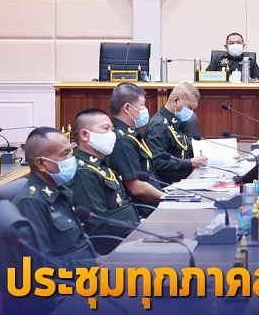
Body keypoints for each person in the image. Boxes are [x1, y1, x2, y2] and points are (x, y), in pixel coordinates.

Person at [12, 127, 98, 268]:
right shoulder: (32, 202)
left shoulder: (60, 190)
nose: (72, 159)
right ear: (41, 164)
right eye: (65, 154)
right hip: (73, 277)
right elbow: (42, 265)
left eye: (71, 152)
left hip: (91, 263)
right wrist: (95, 264)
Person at [67, 109, 140, 240]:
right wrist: (140, 227)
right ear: (85, 135)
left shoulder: (102, 163)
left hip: (130, 234)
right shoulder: (83, 172)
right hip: (113, 243)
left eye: (112, 129)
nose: (112, 134)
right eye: (105, 128)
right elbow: (99, 224)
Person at [108, 82, 165, 212]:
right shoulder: (122, 140)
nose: (145, 109)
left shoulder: (133, 134)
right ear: (128, 108)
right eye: (142, 104)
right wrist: (168, 198)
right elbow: (137, 187)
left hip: (156, 201)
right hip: (144, 210)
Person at [145, 81, 208, 183]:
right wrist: (190, 163)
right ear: (176, 101)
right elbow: (158, 163)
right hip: (169, 185)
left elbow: (185, 149)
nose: (191, 112)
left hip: (186, 180)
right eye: (190, 107)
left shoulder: (178, 122)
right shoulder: (158, 126)